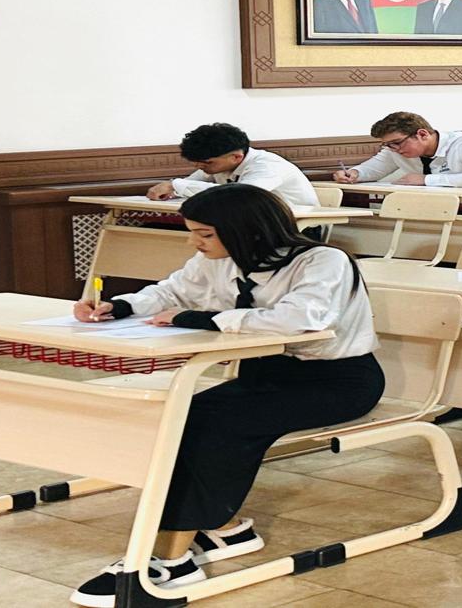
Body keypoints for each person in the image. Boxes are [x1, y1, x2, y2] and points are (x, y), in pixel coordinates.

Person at [67, 185, 381, 606]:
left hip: (336, 382)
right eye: (193, 232)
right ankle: (226, 530)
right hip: (263, 375)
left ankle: (171, 557)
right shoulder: (216, 258)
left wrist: (201, 319)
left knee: (217, 426)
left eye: (205, 234)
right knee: (185, 417)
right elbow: (171, 292)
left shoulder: (323, 261)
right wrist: (120, 306)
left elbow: (300, 320)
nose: (194, 243)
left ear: (248, 230)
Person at [145, 122, 317, 207]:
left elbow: (241, 195)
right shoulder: (217, 166)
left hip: (297, 229)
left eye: (206, 162)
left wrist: (175, 185)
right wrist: (171, 190)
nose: (199, 167)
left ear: (236, 157)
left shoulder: (268, 165)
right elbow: (190, 185)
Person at [333, 112, 462, 186]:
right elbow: (372, 169)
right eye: (388, 145)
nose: (394, 149)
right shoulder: (396, 150)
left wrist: (427, 180)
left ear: (422, 134)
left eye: (397, 142)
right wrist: (354, 173)